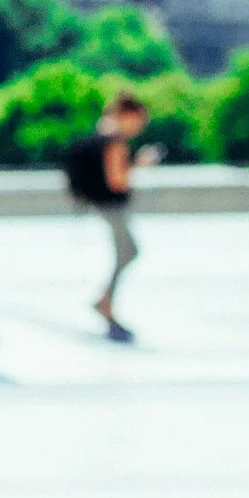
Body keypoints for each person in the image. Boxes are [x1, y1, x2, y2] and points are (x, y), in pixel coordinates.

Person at [66, 90, 157, 343]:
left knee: (127, 252)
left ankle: (106, 301)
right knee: (129, 252)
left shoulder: (102, 131)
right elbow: (117, 181)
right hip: (112, 207)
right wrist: (139, 163)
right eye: (139, 121)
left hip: (102, 205)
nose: (139, 128)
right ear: (127, 115)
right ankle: (105, 301)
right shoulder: (114, 140)